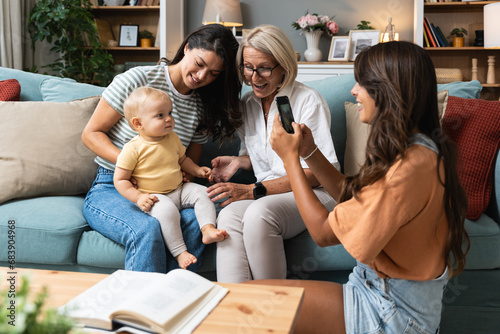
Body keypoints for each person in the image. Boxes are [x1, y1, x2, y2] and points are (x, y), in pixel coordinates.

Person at [265, 41, 470, 333]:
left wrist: (289, 160)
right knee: (251, 299)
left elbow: (323, 233)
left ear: (388, 91)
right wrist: (308, 151)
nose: (353, 90)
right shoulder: (417, 148)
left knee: (253, 304)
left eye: (362, 82)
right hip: (380, 293)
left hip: (395, 314)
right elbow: (351, 196)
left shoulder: (409, 169)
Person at [81, 24, 241, 273]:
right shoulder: (138, 80)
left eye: (213, 73)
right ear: (187, 48)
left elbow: (186, 163)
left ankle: (172, 297)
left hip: (169, 190)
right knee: (147, 228)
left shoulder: (201, 105)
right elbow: (91, 134)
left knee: (194, 220)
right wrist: (133, 168)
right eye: (199, 63)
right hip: (114, 186)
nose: (201, 76)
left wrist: (198, 173)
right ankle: (143, 307)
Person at [206, 24, 339, 283]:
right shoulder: (248, 105)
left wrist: (252, 191)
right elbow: (264, 157)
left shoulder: (307, 101)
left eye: (265, 68)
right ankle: (235, 308)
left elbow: (319, 173)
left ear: (284, 66)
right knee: (228, 216)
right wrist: (238, 162)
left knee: (259, 214)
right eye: (248, 67)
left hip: (315, 193)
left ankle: (276, 309)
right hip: (272, 192)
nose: (255, 77)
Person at [114, 87, 228, 269]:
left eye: (170, 113)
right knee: (167, 212)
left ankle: (207, 229)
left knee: (203, 192)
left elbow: (183, 159)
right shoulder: (132, 148)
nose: (169, 119)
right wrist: (138, 197)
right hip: (155, 196)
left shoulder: (172, 137)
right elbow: (120, 180)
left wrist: (197, 170)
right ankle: (180, 252)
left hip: (179, 189)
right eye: (160, 115)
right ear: (138, 123)